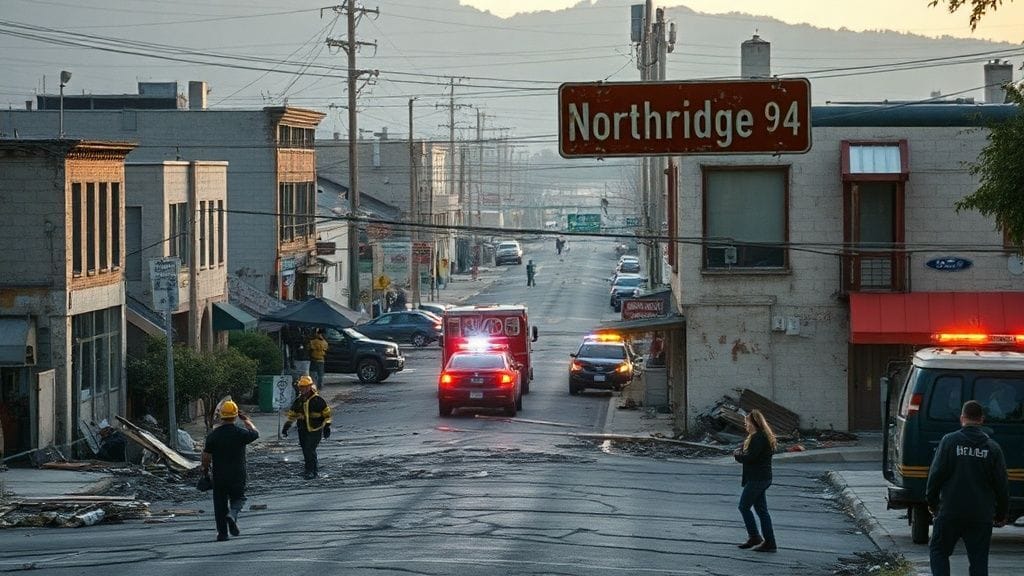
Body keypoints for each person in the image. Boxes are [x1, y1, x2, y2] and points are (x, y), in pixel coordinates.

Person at [926, 400, 1009, 576]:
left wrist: (932, 504)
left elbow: (935, 476)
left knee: (939, 551)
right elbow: (1001, 486)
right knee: (979, 560)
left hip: (950, 511)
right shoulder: (993, 448)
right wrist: (1001, 514)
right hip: (980, 515)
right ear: (982, 419)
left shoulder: (949, 442)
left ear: (962, 418)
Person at [201, 400, 259, 542]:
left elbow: (206, 457)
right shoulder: (241, 433)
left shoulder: (213, 436)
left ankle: (222, 534)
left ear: (221, 416)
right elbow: (255, 433)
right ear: (235, 416)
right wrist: (246, 420)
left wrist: (205, 471)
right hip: (238, 474)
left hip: (219, 475)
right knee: (238, 499)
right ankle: (232, 515)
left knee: (220, 504)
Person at [734, 408, 778, 553]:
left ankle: (755, 537)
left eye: (747, 422)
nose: (745, 425)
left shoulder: (759, 437)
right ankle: (768, 542)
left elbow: (750, 458)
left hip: (758, 479)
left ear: (754, 423)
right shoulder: (757, 436)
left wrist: (738, 455)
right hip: (761, 478)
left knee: (744, 506)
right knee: (761, 511)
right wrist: (742, 452)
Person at [282, 375, 332, 479]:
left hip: (315, 429)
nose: (302, 389)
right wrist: (286, 427)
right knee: (305, 450)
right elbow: (292, 414)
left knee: (310, 449)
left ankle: (311, 471)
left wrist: (327, 427)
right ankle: (310, 469)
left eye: (305, 387)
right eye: (301, 387)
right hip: (303, 430)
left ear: (310, 387)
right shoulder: (299, 401)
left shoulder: (318, 400)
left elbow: (327, 414)